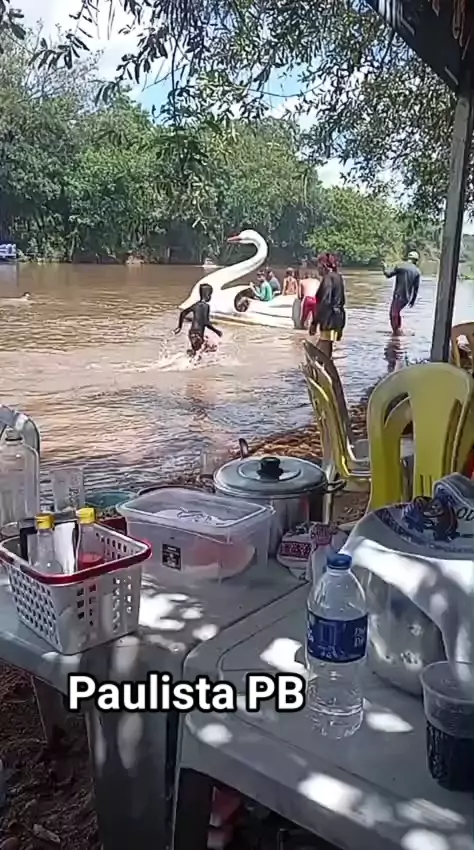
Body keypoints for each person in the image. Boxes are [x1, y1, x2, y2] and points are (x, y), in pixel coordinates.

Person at [310, 253, 346, 359]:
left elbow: (325, 302)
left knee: (323, 347)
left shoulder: (328, 278)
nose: (317, 268)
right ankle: (323, 364)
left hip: (329, 319)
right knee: (327, 346)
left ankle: (319, 365)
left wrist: (314, 322)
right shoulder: (338, 277)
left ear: (323, 265)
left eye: (318, 265)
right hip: (338, 318)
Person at [174, 282, 222, 356]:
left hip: (192, 333)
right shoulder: (206, 306)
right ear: (207, 295)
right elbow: (206, 322)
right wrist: (216, 331)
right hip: (198, 334)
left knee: (200, 349)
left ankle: (190, 357)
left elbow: (183, 313)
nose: (210, 297)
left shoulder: (196, 305)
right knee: (209, 349)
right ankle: (187, 360)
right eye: (210, 295)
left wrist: (179, 327)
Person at [383, 250, 420, 334]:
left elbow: (388, 274)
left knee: (393, 314)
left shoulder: (400, 266)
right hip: (406, 298)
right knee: (396, 313)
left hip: (398, 295)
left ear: (408, 258)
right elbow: (416, 288)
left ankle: (397, 333)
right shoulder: (417, 271)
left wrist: (385, 267)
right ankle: (398, 331)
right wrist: (413, 300)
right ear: (416, 261)